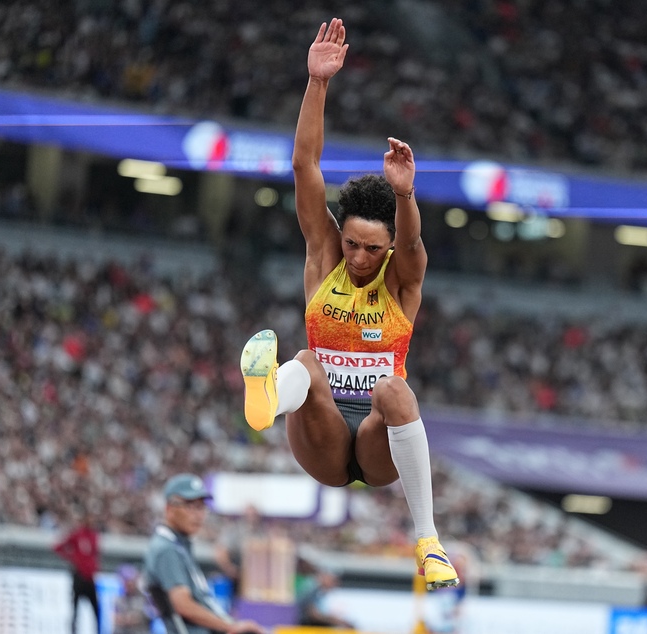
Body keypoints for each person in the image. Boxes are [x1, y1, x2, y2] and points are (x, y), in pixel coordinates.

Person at [239, 16, 458, 592]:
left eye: (371, 248)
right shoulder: (324, 254)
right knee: (309, 362)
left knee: (394, 388)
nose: (358, 257)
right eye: (352, 243)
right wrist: (317, 83)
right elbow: (304, 168)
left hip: (378, 445)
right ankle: (263, 403)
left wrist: (406, 193)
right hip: (323, 431)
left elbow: (410, 242)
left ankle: (429, 543)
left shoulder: (403, 278)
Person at [143, 473, 266, 634]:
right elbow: (183, 605)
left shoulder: (178, 544)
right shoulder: (166, 548)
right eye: (190, 506)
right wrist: (230, 626)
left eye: (201, 507)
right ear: (169, 508)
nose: (198, 515)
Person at [54, 510, 101, 634]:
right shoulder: (78, 534)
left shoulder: (94, 536)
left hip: (90, 578)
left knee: (96, 609)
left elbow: (95, 554)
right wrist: (72, 558)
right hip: (79, 577)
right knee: (75, 608)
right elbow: (58, 546)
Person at [112, 564, 153, 634]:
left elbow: (148, 616)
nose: (129, 585)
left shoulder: (145, 598)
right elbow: (115, 618)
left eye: (131, 582)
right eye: (126, 582)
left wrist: (131, 619)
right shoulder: (119, 599)